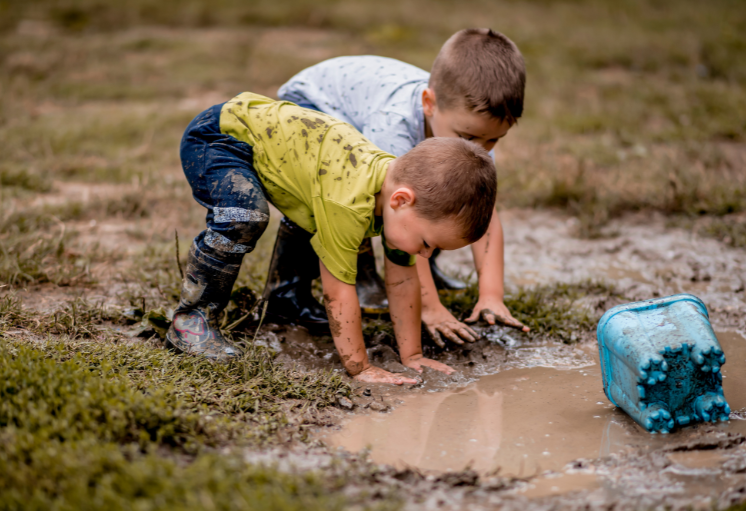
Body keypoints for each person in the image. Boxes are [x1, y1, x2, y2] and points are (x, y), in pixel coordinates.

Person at [166, 92, 497, 384]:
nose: (425, 255)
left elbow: (402, 281)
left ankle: (285, 301)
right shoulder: (348, 203)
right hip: (220, 137)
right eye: (428, 244)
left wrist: (411, 357)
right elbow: (338, 293)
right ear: (401, 200)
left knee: (314, 217)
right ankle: (191, 320)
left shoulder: (397, 199)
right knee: (245, 215)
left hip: (274, 148)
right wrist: (360, 367)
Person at [270, 28, 530, 344]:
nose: (483, 148)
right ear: (429, 104)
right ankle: (320, 286)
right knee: (351, 197)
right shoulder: (393, 127)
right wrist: (429, 308)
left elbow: (483, 214)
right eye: (469, 138)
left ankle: (426, 271)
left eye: (494, 140)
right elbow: (401, 214)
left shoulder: (471, 133)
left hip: (360, 107)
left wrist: (491, 295)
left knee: (445, 200)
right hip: (314, 105)